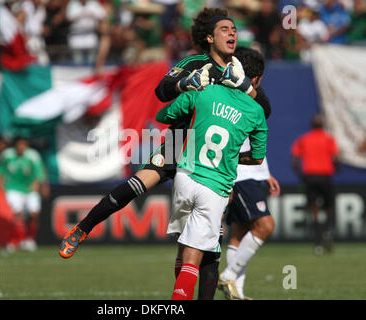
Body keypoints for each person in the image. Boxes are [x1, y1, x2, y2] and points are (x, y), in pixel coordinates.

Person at [59, 7, 272, 300]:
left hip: (207, 160)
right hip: (177, 143)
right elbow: (161, 91)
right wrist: (186, 82)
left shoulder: (237, 69)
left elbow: (264, 108)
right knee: (135, 186)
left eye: (234, 29)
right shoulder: (194, 61)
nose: (233, 32)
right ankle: (82, 229)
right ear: (209, 38)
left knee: (210, 249)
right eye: (225, 29)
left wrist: (245, 86)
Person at [155, 48, 268, 300]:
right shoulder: (256, 111)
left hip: (184, 175)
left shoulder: (204, 91)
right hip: (215, 187)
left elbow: (162, 115)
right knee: (194, 258)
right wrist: (235, 157)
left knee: (184, 248)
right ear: (255, 81)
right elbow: (258, 157)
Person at [218, 52, 280, 298]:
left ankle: (237, 294)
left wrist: (265, 172)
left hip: (248, 171)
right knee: (265, 225)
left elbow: (251, 140)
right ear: (256, 79)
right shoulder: (244, 99)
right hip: (239, 174)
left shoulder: (234, 95)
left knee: (239, 234)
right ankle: (228, 277)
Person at [291, 114, 339, 255]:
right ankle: (328, 232)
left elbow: (294, 160)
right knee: (329, 207)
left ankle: (317, 244)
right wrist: (335, 167)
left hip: (310, 177)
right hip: (325, 176)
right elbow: (335, 158)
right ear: (322, 125)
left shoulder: (304, 139)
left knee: (314, 211)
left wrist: (301, 176)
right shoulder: (329, 139)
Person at [1, 136, 46, 251]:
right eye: (19, 145)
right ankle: (18, 240)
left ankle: (29, 239)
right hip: (13, 188)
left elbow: (40, 171)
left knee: (34, 214)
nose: (21, 147)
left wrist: (42, 185)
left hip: (30, 188)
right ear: (15, 145)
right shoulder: (7, 155)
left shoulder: (32, 156)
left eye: (23, 145)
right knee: (17, 214)